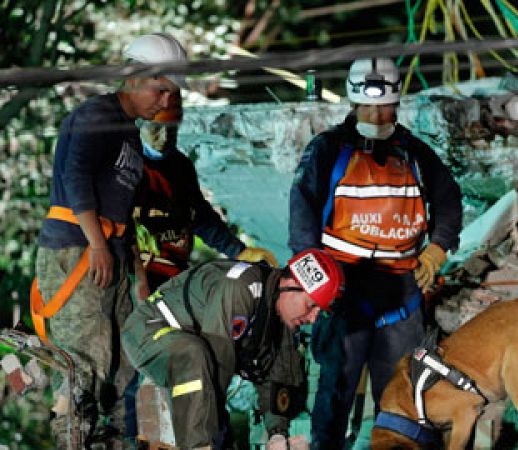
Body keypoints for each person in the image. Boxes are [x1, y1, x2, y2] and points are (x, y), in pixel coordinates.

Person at [288, 57, 463, 449]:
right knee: (335, 389)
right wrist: (313, 282)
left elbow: (449, 200)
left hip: (401, 295)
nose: (378, 114)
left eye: (385, 106)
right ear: (352, 102)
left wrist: (437, 249)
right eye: (369, 106)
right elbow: (302, 214)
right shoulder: (328, 150)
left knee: (402, 395)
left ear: (397, 103)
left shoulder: (416, 154)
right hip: (343, 292)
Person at [30, 33, 188, 447]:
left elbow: (125, 210)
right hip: (76, 251)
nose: (166, 102)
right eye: (161, 89)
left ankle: (115, 442)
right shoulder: (96, 115)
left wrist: (134, 268)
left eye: (171, 93)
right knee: (83, 365)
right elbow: (75, 176)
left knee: (122, 365)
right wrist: (97, 244)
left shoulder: (131, 135)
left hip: (112, 255)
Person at [121, 248, 344, 449]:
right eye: (312, 305)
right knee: (195, 357)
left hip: (195, 357)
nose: (314, 317)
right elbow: (216, 364)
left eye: (320, 311)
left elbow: (278, 376)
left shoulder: (281, 317)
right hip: (150, 332)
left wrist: (277, 433)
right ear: (288, 285)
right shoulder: (241, 288)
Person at [134, 91, 277, 291]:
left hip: (173, 274)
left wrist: (239, 252)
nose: (165, 137)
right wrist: (138, 278)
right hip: (135, 275)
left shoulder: (180, 166)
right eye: (157, 129)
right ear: (139, 124)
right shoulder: (124, 166)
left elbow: (199, 215)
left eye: (172, 129)